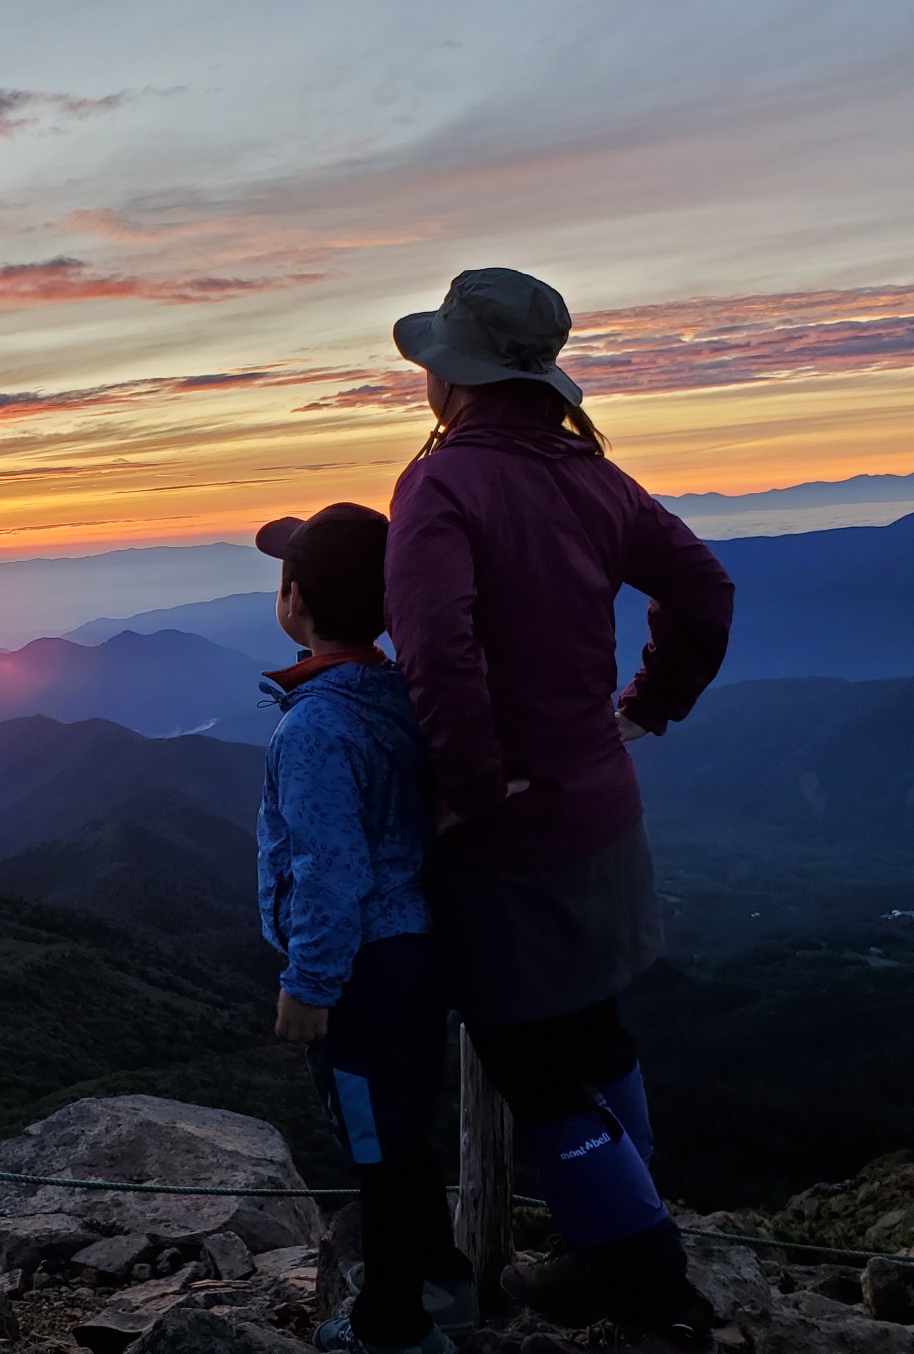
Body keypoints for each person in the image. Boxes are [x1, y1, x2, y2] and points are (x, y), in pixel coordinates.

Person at [384, 268, 735, 1342]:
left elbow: (440, 652)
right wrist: (650, 706)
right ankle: (615, 1238)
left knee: (532, 1061)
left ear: (456, 377)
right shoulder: (594, 477)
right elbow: (704, 591)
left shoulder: (442, 487)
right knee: (594, 1032)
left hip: (514, 834)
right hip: (602, 811)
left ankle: (645, 1285)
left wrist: (473, 792)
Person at [255, 502, 477, 1354]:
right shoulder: (397, 695)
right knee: (402, 1132)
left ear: (295, 599)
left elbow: (330, 869)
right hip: (415, 957)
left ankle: (392, 1327)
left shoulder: (314, 727)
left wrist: (309, 984)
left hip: (361, 977)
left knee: (374, 1147)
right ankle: (444, 1287)